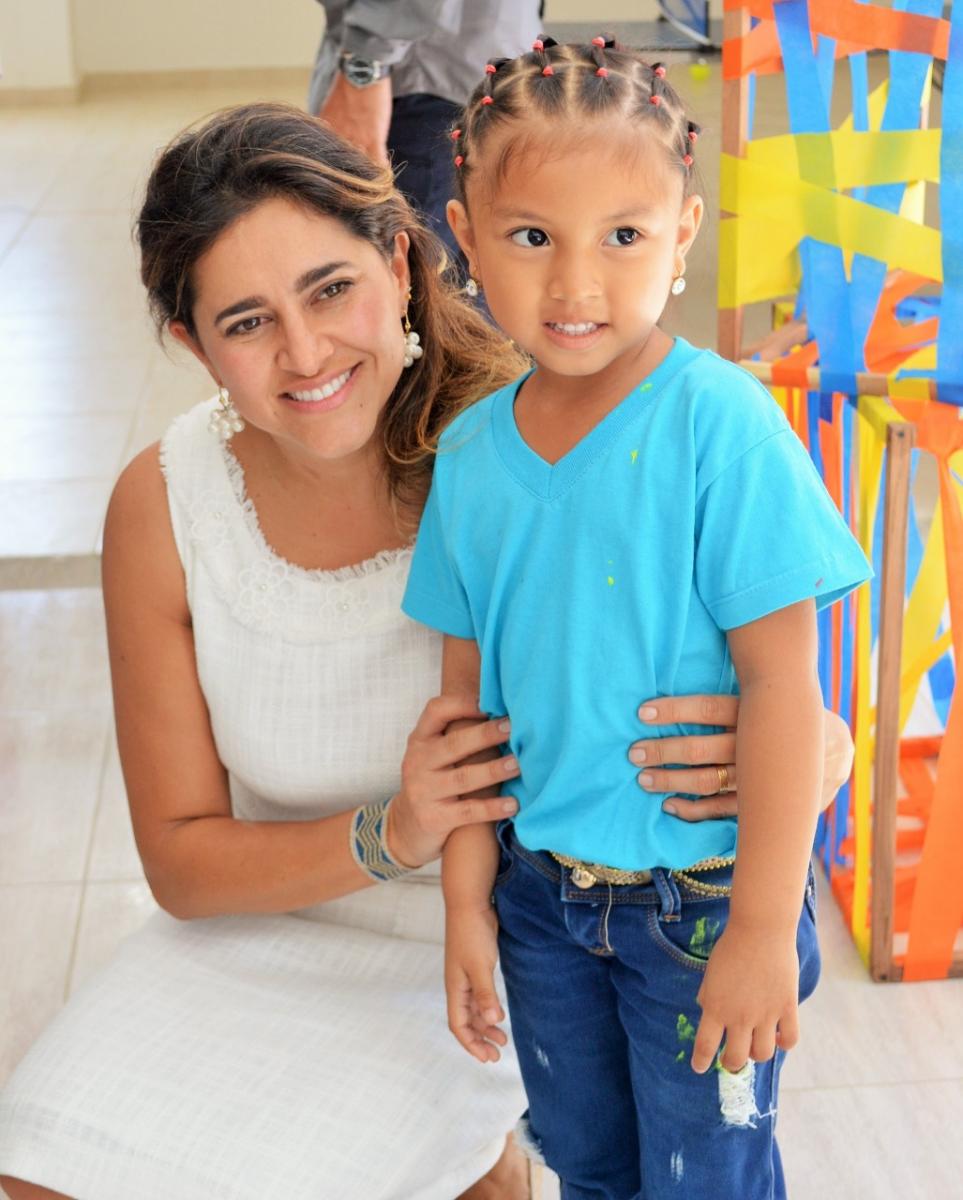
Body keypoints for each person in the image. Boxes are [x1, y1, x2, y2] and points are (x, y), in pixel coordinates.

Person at [0, 103, 854, 1200]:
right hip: (269, 931)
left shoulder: (541, 429)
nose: (306, 353)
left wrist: (813, 749)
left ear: (401, 264)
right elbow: (179, 862)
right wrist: (394, 832)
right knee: (41, 1166)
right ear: (191, 343)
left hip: (514, 943)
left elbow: (771, 663)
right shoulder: (165, 503)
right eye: (247, 322)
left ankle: (490, 1163)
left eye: (330, 290)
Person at [401, 39, 873, 1200]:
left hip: (703, 906)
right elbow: (464, 721)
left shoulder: (724, 426)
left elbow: (784, 689)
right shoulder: (470, 458)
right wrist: (465, 908)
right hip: (538, 907)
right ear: (465, 237)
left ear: (682, 233)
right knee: (590, 1170)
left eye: (623, 235)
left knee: (707, 1179)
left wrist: (761, 927)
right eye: (532, 237)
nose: (576, 285)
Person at [308, 1, 541, 267]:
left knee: (400, 276)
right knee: (452, 281)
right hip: (474, 79)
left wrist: (365, 67)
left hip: (415, 84)